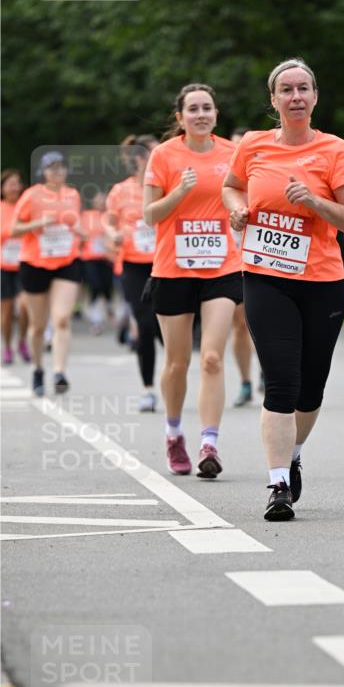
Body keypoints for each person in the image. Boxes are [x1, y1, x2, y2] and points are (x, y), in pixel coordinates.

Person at [223, 57, 344, 520]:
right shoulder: (253, 145)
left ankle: (295, 453)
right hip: (265, 277)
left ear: (315, 97)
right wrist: (237, 209)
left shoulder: (335, 150)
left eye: (303, 88)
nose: (296, 96)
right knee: (281, 381)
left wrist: (315, 201)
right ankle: (278, 484)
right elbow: (231, 187)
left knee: (311, 388)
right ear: (274, 99)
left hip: (322, 281)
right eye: (287, 89)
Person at [143, 84, 242, 477]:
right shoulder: (164, 155)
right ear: (180, 117)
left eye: (207, 108)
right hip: (174, 269)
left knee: (212, 358)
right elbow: (150, 215)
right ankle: (173, 434)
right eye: (193, 109)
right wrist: (179, 193)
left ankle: (209, 443)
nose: (201, 115)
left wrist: (242, 213)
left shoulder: (232, 154)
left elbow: (243, 198)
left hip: (221, 267)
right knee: (177, 362)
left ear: (216, 114)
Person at [11, 151, 83, 395]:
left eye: (61, 167)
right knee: (38, 325)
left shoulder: (72, 195)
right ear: (43, 172)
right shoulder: (32, 195)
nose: (57, 171)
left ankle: (59, 371)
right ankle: (38, 368)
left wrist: (79, 230)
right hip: (35, 263)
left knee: (61, 318)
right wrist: (39, 223)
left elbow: (77, 225)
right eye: (52, 167)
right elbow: (15, 229)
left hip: (66, 261)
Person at [106, 133, 161, 411]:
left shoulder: (167, 187)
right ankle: (148, 389)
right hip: (133, 266)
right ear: (140, 158)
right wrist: (112, 234)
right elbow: (108, 223)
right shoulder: (120, 191)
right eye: (154, 153)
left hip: (165, 263)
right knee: (145, 324)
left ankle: (175, 376)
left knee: (167, 326)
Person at [228, 126, 256, 406]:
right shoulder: (227, 183)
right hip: (231, 262)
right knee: (240, 325)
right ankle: (246, 381)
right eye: (233, 146)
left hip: (262, 261)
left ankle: (269, 370)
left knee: (266, 323)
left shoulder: (265, 176)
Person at [1, 168, 30, 364]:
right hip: (3, 266)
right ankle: (7, 347)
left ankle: (22, 341)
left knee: (24, 306)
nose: (14, 187)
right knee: (7, 310)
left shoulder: (25, 207)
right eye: (10, 184)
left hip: (24, 264)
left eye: (17, 183)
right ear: (2, 188)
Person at [80, 189, 114, 334]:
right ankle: (96, 319)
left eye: (103, 201)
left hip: (107, 258)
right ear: (93, 202)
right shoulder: (86, 216)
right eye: (97, 201)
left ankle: (109, 306)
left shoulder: (110, 216)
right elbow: (80, 235)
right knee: (95, 285)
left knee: (107, 286)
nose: (100, 203)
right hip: (90, 258)